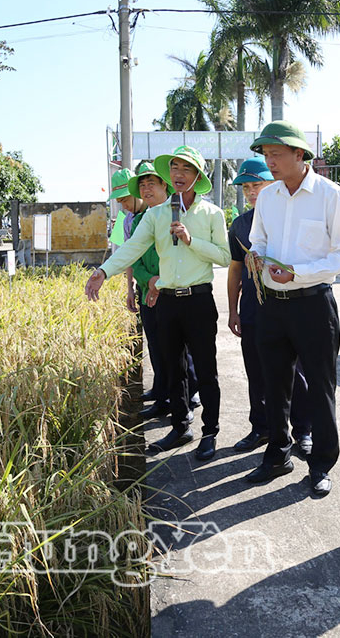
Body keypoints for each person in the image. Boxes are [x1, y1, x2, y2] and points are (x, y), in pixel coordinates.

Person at [85, 146, 231, 460]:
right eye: (174, 168)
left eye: (186, 169)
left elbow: (224, 256)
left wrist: (193, 240)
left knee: (206, 370)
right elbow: (133, 248)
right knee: (173, 369)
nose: (179, 174)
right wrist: (103, 271)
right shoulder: (156, 214)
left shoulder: (212, 214)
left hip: (199, 301)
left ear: (198, 177)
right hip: (167, 302)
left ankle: (210, 432)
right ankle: (180, 427)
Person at [244, 120, 340, 498]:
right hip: (272, 306)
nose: (270, 161)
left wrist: (300, 273)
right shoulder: (270, 196)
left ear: (299, 154)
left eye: (276, 154)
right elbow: (257, 238)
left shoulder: (329, 194)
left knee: (322, 388)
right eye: (265, 155)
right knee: (274, 385)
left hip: (313, 306)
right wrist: (256, 256)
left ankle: (322, 464)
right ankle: (277, 454)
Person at [227, 157, 312, 454]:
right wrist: (233, 310)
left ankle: (303, 430)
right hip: (253, 307)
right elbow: (236, 270)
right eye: (247, 187)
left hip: (288, 306)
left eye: (257, 185)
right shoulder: (239, 225)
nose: (251, 192)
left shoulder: (288, 217)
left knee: (296, 373)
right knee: (257, 372)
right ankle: (261, 428)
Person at [126, 161, 200, 420]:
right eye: (142, 185)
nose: (146, 189)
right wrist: (149, 280)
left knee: (180, 351)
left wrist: (162, 281)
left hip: (171, 294)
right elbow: (134, 259)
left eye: (151, 184)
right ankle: (164, 397)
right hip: (149, 294)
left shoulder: (179, 215)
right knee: (157, 349)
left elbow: (183, 257)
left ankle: (188, 395)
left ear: (164, 186)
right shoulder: (139, 222)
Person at [109, 167, 140, 313]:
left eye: (125, 199)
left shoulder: (155, 212)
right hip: (144, 286)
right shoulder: (127, 221)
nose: (124, 206)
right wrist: (130, 288)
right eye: (120, 202)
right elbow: (129, 256)